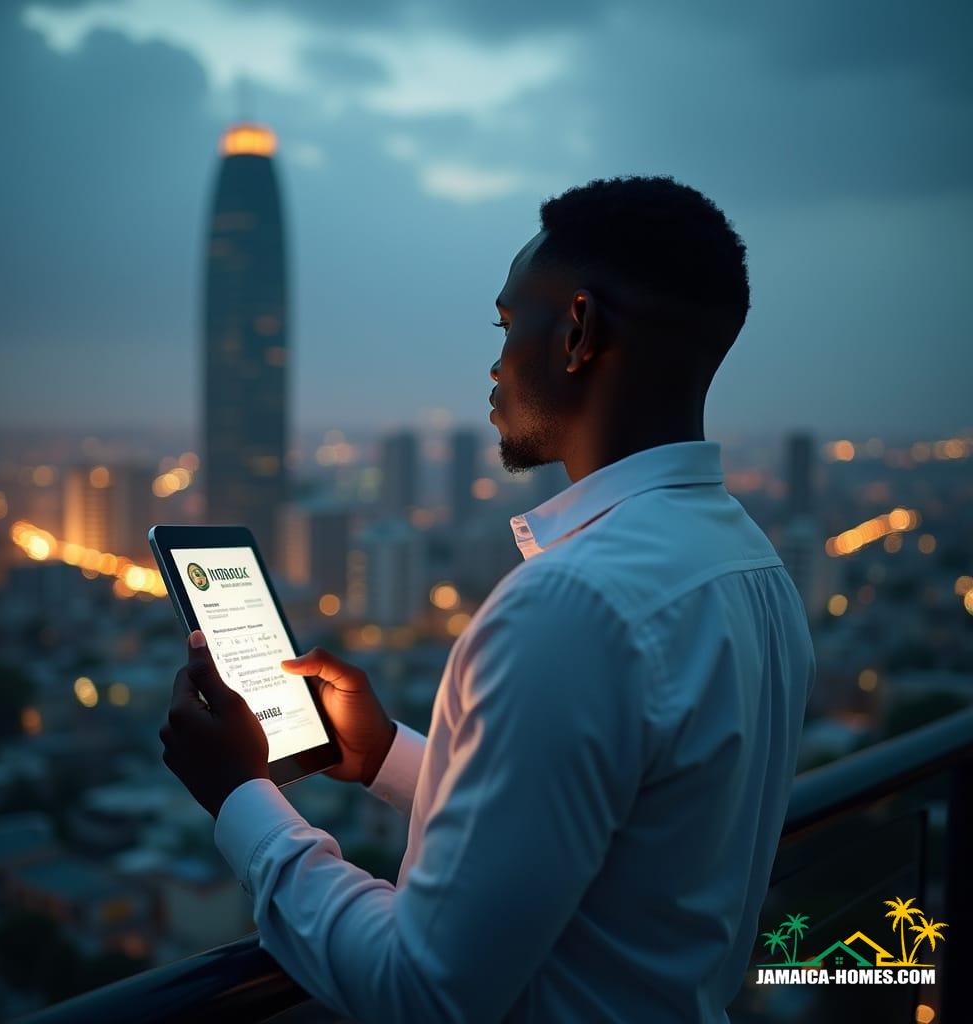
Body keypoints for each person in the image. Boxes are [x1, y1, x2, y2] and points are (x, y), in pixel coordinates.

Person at [159, 175, 816, 1023]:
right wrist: (381, 753)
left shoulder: (570, 604)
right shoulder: (752, 567)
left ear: (577, 332)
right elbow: (610, 833)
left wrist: (242, 797)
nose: (496, 366)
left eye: (509, 328)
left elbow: (423, 987)